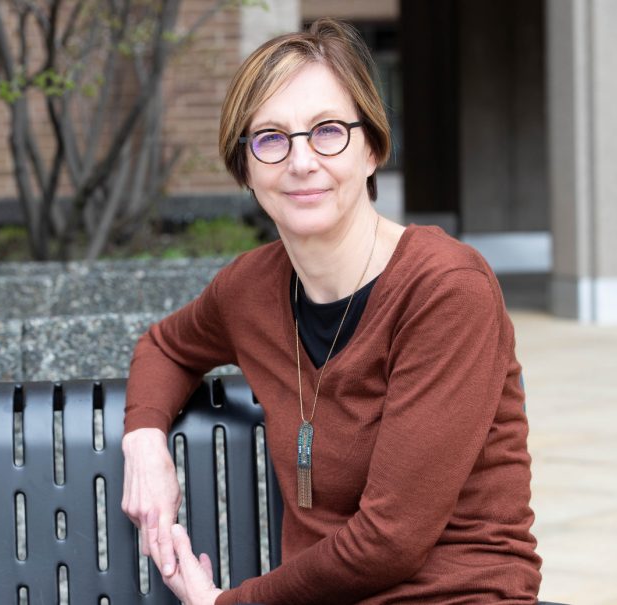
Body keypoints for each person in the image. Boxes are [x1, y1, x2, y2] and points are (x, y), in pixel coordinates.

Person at [120, 18, 542, 605]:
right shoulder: (249, 290)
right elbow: (165, 347)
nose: (301, 161)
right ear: (246, 169)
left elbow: (390, 540)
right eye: (270, 138)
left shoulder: (446, 289)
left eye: (327, 131)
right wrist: (144, 444)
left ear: (371, 148)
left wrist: (228, 603)